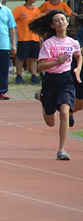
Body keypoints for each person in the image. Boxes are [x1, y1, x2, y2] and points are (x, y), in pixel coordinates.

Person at [29, 10, 82, 161]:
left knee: (65, 113)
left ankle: (62, 150)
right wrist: (57, 62)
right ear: (52, 25)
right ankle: (42, 98)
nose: (61, 22)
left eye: (63, 19)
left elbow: (79, 55)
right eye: (57, 20)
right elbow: (40, 66)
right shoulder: (49, 43)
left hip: (66, 80)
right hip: (50, 81)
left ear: (67, 22)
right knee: (51, 122)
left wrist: (78, 68)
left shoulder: (73, 42)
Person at [12, 0, 41, 84]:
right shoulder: (19, 9)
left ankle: (33, 75)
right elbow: (11, 20)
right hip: (23, 38)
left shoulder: (36, 10)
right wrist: (15, 30)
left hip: (35, 38)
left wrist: (40, 36)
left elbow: (39, 24)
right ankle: (19, 75)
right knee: (21, 57)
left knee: (34, 58)